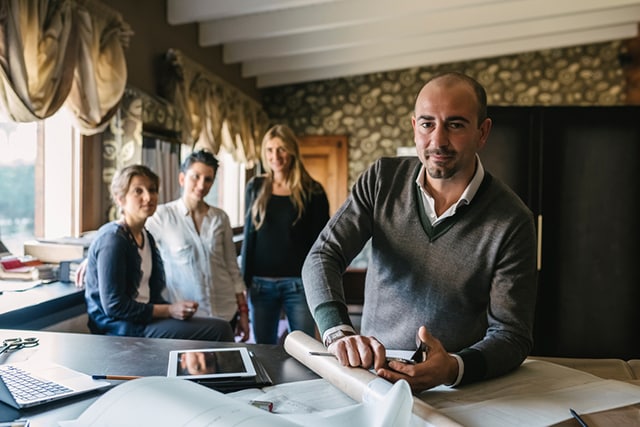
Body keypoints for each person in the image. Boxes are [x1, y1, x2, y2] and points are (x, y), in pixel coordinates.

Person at [301, 72, 537, 392]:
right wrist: (337, 331)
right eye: (427, 124)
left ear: (483, 132)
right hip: (369, 377)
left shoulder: (513, 221)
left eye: (455, 125)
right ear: (414, 128)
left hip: (454, 390)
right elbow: (323, 254)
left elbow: (512, 335)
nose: (438, 140)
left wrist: (453, 368)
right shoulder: (382, 179)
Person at [84, 164, 234, 341]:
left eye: (152, 190)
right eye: (138, 191)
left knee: (216, 325)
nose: (148, 197)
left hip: (146, 319)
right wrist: (169, 310)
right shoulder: (113, 240)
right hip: (122, 327)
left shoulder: (146, 236)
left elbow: (153, 293)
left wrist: (175, 311)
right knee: (220, 330)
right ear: (120, 199)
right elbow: (114, 306)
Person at [146, 150, 250, 341]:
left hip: (226, 311)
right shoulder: (162, 216)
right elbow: (126, 231)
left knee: (226, 367)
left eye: (208, 179)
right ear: (182, 178)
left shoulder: (220, 217)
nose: (202, 185)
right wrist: (93, 257)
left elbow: (232, 268)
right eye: (196, 177)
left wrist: (244, 312)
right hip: (188, 317)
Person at [241, 124, 330, 344]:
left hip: (298, 284)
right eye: (270, 150)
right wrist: (243, 282)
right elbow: (248, 238)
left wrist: (319, 284)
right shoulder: (256, 186)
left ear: (292, 152)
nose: (275, 156)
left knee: (306, 349)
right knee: (263, 349)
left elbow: (322, 244)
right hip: (260, 285)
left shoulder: (313, 190)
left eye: (281, 149)